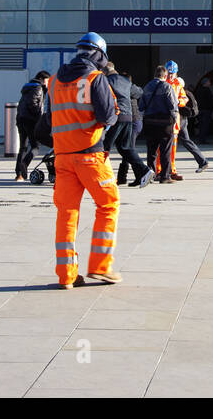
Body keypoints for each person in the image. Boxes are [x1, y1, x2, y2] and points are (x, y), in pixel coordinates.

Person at [50, 32, 122, 287]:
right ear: (99, 54)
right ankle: (101, 267)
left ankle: (66, 276)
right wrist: (114, 114)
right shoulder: (95, 78)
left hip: (62, 157)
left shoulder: (54, 80)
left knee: (67, 213)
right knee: (108, 205)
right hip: (90, 155)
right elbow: (106, 116)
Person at [105, 63, 151, 187]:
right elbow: (139, 92)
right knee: (125, 147)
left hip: (115, 117)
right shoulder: (125, 81)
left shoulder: (105, 81)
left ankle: (103, 177)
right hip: (128, 117)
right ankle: (144, 170)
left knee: (104, 147)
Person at [166, 61, 208, 175]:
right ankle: (202, 161)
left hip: (179, 118)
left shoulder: (177, 84)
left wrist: (177, 102)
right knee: (185, 141)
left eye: (172, 73)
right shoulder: (165, 83)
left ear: (176, 72)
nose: (170, 75)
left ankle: (202, 161)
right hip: (173, 117)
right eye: (169, 73)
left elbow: (184, 99)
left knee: (182, 141)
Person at [140, 66, 179, 184]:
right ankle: (165, 176)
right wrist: (175, 119)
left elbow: (141, 106)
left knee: (151, 150)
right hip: (164, 123)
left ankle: (150, 174)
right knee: (165, 149)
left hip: (150, 122)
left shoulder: (147, 87)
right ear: (165, 75)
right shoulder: (167, 87)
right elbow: (173, 105)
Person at [15, 70, 49, 181]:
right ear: (42, 79)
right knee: (36, 146)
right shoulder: (38, 88)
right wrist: (39, 117)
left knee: (23, 147)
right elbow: (33, 103)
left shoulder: (27, 88)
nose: (48, 83)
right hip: (31, 120)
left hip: (21, 119)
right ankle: (24, 163)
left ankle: (19, 174)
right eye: (47, 81)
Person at [193, 77, 213, 142]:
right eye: (209, 82)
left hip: (200, 110)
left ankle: (200, 138)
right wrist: (211, 108)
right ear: (205, 83)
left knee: (201, 124)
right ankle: (203, 139)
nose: (210, 83)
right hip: (206, 110)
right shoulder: (207, 90)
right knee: (205, 125)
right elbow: (210, 100)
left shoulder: (198, 90)